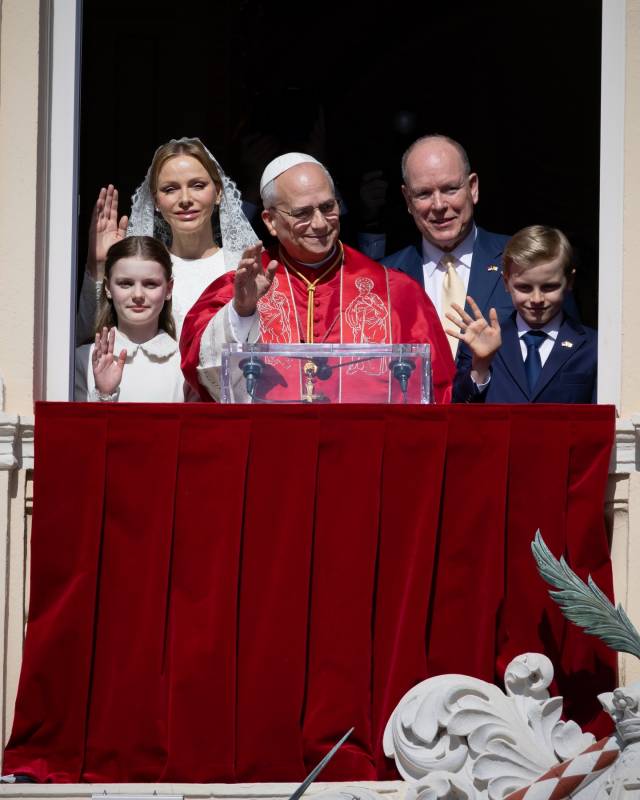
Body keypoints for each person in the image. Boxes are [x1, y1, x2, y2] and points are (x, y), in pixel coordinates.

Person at [180, 152, 455, 403]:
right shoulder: (241, 287)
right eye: (302, 213)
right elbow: (201, 371)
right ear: (270, 221)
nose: (320, 223)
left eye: (327, 207)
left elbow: (437, 390)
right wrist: (241, 312)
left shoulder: (396, 292)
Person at [76, 137, 258, 344]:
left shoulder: (240, 266)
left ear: (218, 193)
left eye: (197, 185)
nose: (185, 199)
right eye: (170, 189)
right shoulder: (144, 269)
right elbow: (86, 338)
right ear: (155, 201)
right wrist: (99, 266)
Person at [450, 225, 597, 403]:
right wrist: (480, 366)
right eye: (524, 287)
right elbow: (458, 409)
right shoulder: (484, 342)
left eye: (549, 287)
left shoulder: (593, 347)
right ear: (506, 282)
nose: (536, 299)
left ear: (569, 281)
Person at [75, 236, 188, 402]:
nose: (138, 295)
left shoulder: (184, 364)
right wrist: (103, 394)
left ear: (169, 289)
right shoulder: (83, 359)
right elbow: (79, 427)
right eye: (125, 283)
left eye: (150, 284)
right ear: (107, 288)